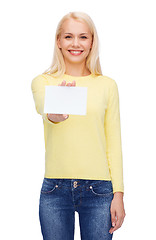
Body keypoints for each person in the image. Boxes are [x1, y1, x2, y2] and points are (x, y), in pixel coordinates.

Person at [31, 11, 126, 240]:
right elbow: (46, 111)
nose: (76, 43)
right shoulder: (43, 82)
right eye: (68, 37)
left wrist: (119, 194)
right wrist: (57, 112)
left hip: (99, 190)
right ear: (58, 42)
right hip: (55, 190)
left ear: (92, 41)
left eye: (83, 37)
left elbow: (113, 141)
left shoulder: (107, 86)